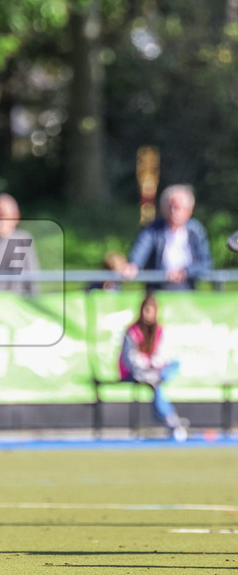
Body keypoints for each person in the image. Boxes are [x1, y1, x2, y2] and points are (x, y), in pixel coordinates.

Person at [118, 294, 187, 442]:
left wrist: (156, 366)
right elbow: (130, 360)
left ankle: (168, 416)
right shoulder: (133, 331)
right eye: (144, 310)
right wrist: (148, 365)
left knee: (174, 366)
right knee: (157, 384)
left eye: (149, 310)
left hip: (155, 373)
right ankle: (171, 420)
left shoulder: (160, 330)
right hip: (136, 372)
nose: (146, 314)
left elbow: (164, 354)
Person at [122, 184, 213, 291]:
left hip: (188, 290)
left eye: (178, 208)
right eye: (169, 207)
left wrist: (185, 272)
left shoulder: (196, 230)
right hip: (158, 291)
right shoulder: (153, 230)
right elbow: (140, 251)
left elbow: (206, 263)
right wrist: (133, 265)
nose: (173, 212)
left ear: (190, 210)